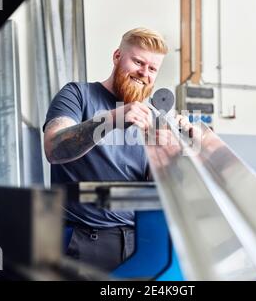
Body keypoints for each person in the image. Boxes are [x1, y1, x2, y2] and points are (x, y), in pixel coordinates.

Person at [43, 28, 171, 272]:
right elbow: (54, 148)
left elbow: (154, 187)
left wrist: (162, 154)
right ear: (116, 56)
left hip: (136, 242)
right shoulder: (77, 95)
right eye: (138, 62)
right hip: (81, 239)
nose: (144, 73)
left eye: (152, 69)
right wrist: (111, 119)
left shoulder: (153, 118)